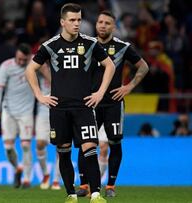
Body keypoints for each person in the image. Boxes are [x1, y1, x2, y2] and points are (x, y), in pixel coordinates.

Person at [25, 3, 115, 203]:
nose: (77, 24)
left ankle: (96, 195)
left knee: (90, 149)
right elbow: (30, 69)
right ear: (62, 22)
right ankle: (71, 195)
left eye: (79, 20)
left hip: (83, 107)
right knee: (63, 152)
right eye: (72, 20)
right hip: (59, 108)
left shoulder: (91, 43)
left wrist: (100, 92)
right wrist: (40, 95)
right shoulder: (50, 46)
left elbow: (109, 66)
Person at [76, 10, 149, 198]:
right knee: (87, 143)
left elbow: (143, 67)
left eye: (107, 23)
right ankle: (84, 185)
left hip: (113, 104)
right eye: (100, 22)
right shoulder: (86, 45)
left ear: (114, 27)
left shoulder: (122, 47)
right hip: (90, 103)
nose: (102, 25)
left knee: (114, 143)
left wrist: (129, 86)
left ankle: (110, 186)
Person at [0, 43, 34, 189]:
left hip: (26, 112)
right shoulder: (6, 66)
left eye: (25, 60)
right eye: (19, 59)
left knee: (26, 145)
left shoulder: (34, 63)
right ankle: (17, 168)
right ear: (16, 55)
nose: (22, 62)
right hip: (8, 111)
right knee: (9, 148)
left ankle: (27, 179)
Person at [35, 64, 61, 190]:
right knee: (40, 143)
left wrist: (46, 70)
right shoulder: (39, 67)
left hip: (60, 109)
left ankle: (56, 179)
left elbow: (58, 83)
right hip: (43, 109)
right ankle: (46, 174)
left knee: (61, 146)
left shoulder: (62, 65)